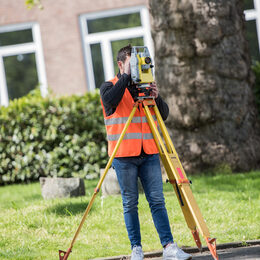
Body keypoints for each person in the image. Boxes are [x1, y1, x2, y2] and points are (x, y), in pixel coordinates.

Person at [100, 44, 192, 260]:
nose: (136, 69)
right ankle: (136, 249)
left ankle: (169, 247)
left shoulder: (145, 86)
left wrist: (156, 96)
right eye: (132, 64)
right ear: (121, 64)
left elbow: (164, 114)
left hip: (149, 153)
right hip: (124, 156)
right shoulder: (109, 86)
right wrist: (125, 77)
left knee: (157, 200)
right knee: (130, 203)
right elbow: (110, 101)